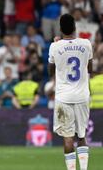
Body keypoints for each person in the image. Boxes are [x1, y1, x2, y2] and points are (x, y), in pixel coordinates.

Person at [48, 14, 92, 170]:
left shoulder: (55, 46)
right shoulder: (86, 44)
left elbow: (51, 72)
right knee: (81, 136)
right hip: (82, 95)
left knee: (68, 138)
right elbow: (90, 69)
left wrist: (58, 46)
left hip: (63, 97)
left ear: (60, 29)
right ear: (75, 27)